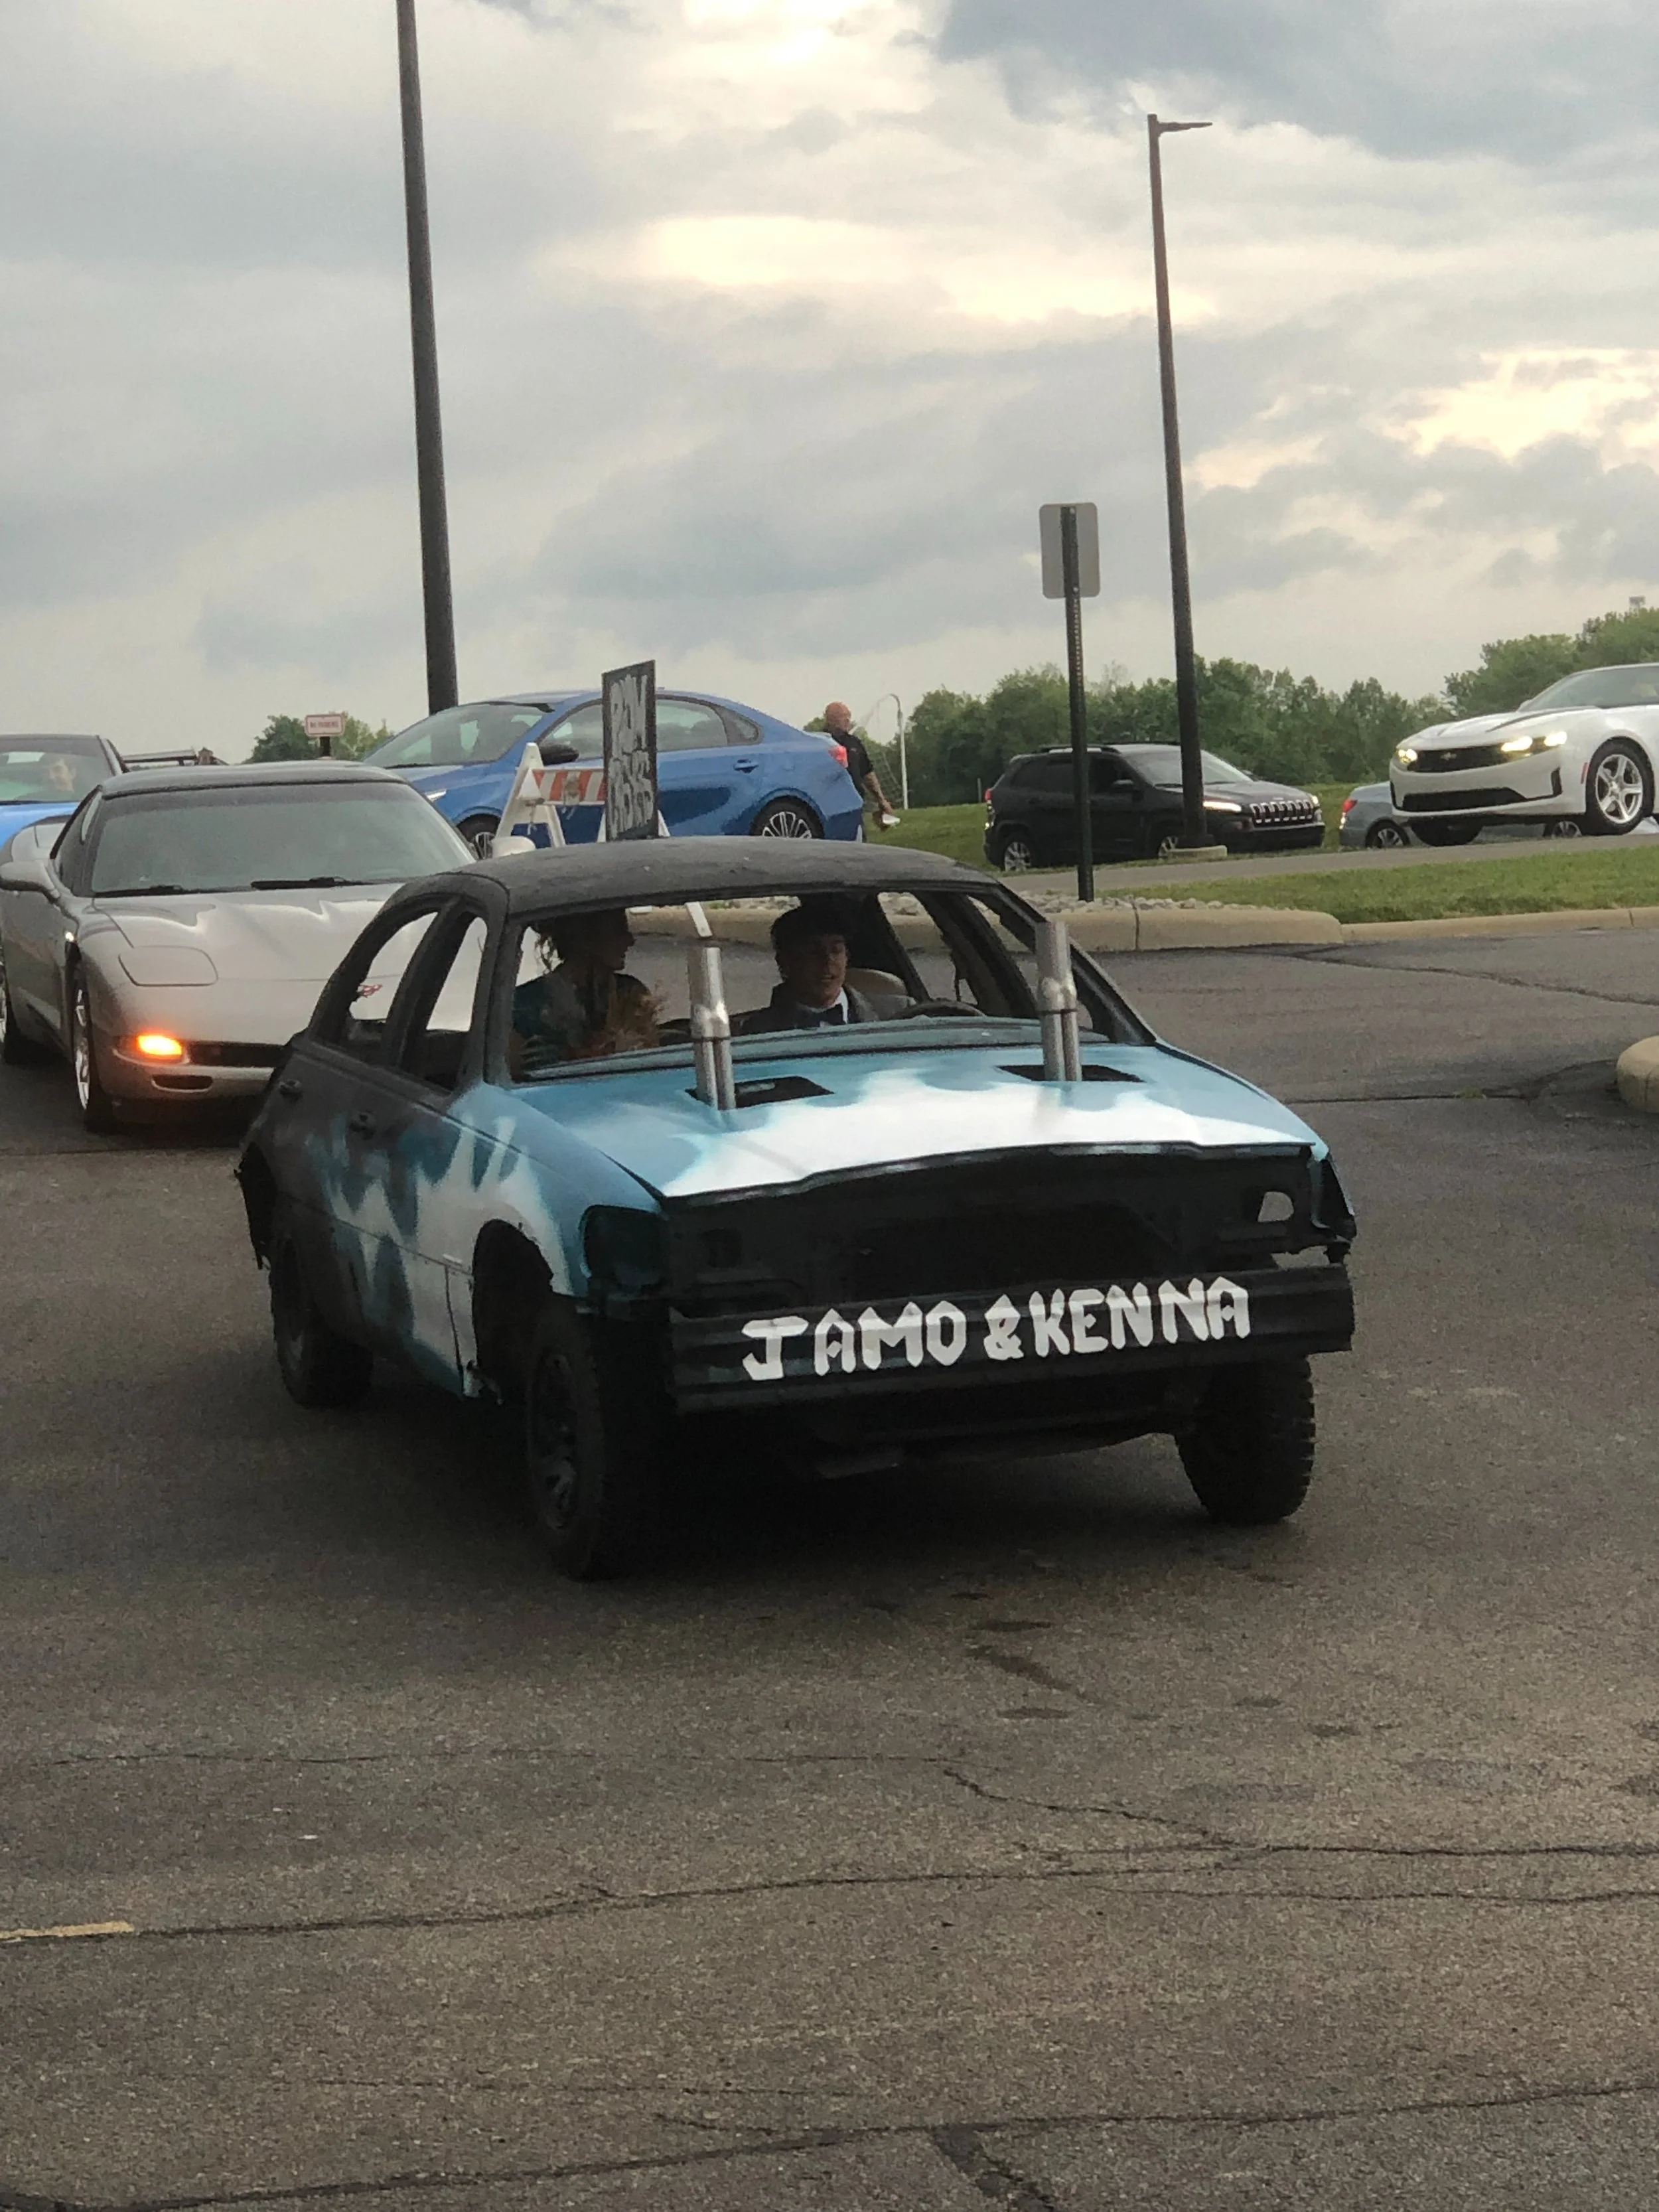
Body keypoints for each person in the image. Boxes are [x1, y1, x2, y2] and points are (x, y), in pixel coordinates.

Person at [511, 908, 658, 1070]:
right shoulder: (523, 1005)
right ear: (583, 936)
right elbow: (515, 1072)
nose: (630, 940)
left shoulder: (631, 993)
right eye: (618, 930)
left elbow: (651, 1062)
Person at [741, 899, 885, 1032]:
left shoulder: (893, 1015)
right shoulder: (758, 1031)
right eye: (813, 952)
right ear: (785, 963)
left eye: (836, 950)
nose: (827, 960)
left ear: (847, 957)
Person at [823, 701, 897, 829]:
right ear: (831, 719)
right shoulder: (822, 743)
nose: (847, 720)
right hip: (830, 804)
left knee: (857, 840)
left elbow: (868, 773)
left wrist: (881, 800)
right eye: (842, 716)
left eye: (849, 716)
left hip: (854, 803)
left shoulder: (853, 743)